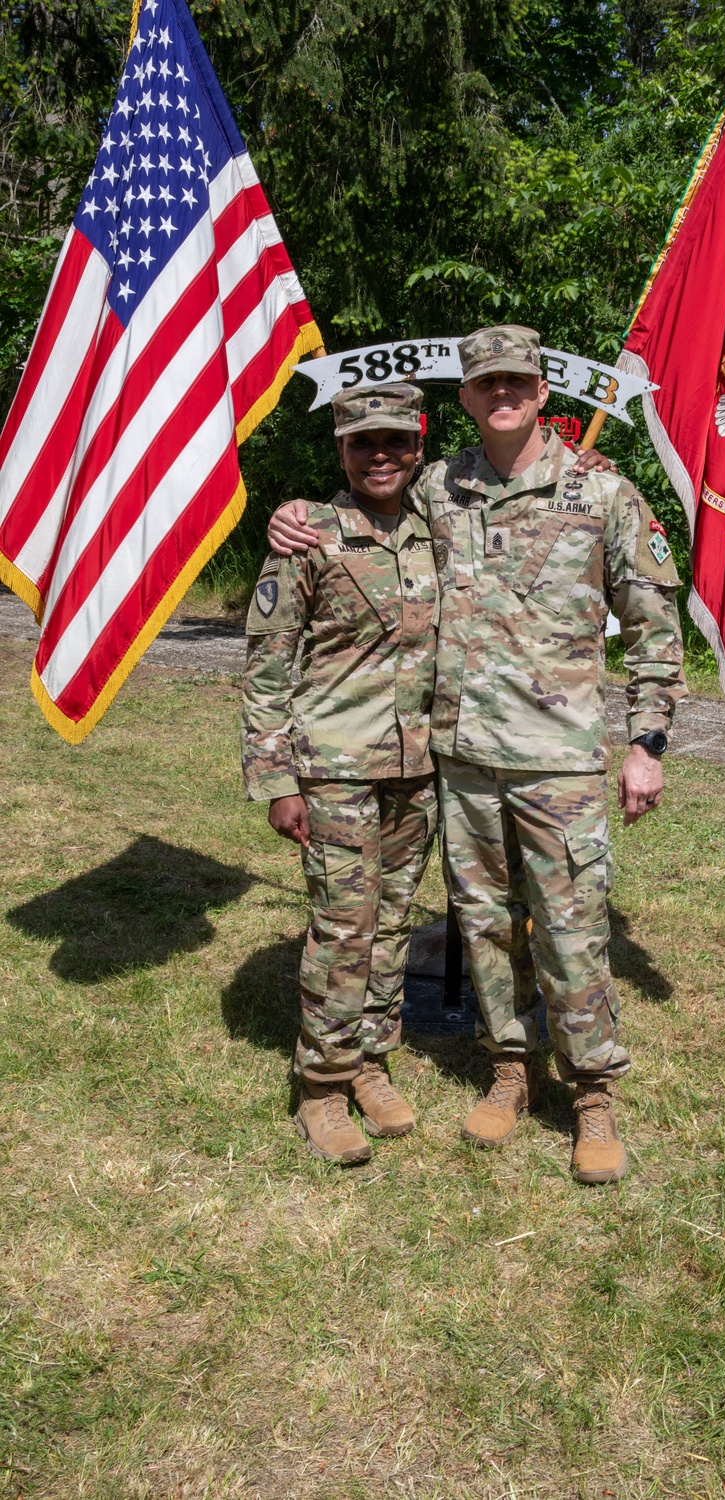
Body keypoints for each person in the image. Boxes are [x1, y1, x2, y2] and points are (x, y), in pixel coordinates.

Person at [268, 326, 686, 1185]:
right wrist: (291, 516)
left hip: (558, 760)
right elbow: (365, 511)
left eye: (518, 382)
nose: (503, 395)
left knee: (571, 931)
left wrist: (646, 742)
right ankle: (509, 1069)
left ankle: (594, 1092)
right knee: (487, 926)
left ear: (542, 392)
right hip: (457, 758)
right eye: (486, 383)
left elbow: (654, 629)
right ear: (464, 397)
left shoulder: (602, 493)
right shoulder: (440, 486)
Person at [242, 383, 439, 1167]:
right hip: (334, 771)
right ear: (342, 451)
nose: (381, 454)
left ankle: (369, 1061)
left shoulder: (438, 530)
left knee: (393, 923)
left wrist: (585, 457)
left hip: (418, 770)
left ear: (417, 447)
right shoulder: (305, 537)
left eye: (395, 440)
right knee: (342, 925)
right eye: (364, 442)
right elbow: (266, 668)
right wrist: (275, 777)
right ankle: (320, 1085)